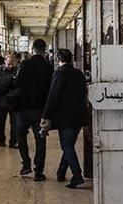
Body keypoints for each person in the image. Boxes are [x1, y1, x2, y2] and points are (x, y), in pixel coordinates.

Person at [41, 48, 88, 188]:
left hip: (65, 117)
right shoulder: (79, 74)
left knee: (67, 146)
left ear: (58, 59)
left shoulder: (59, 74)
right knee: (69, 145)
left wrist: (46, 115)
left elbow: (53, 96)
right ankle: (61, 172)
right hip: (79, 116)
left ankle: (77, 175)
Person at [11, 38, 53, 181]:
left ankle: (26, 164)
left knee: (21, 135)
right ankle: (38, 172)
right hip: (41, 110)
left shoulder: (25, 64)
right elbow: (51, 89)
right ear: (44, 50)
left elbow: (17, 83)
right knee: (40, 140)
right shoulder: (48, 66)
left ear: (32, 49)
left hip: (23, 108)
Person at [0, 52, 21, 148]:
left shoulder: (17, 71)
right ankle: (1, 140)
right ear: (5, 61)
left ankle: (13, 141)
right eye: (8, 64)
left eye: (12, 64)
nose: (10, 66)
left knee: (14, 123)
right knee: (0, 123)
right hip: (1, 101)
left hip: (13, 101)